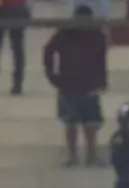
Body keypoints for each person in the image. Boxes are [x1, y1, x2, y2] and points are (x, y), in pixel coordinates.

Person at [43, 5, 108, 166]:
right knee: (72, 124)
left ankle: (90, 156)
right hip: (69, 85)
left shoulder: (97, 35)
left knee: (90, 124)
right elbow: (48, 51)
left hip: (87, 85)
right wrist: (52, 75)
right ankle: (74, 156)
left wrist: (103, 78)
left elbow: (101, 59)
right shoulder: (65, 34)